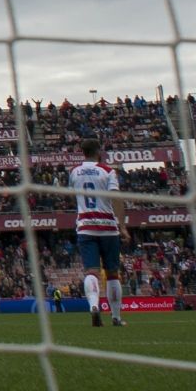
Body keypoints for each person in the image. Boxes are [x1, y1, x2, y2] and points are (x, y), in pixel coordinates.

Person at [68, 139, 126, 328]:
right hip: (108, 227)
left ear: (82, 152)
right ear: (98, 151)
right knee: (112, 274)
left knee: (91, 271)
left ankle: (94, 306)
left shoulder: (74, 171)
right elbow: (116, 198)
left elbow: (72, 196)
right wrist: (123, 226)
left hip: (86, 226)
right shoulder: (107, 171)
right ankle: (116, 317)